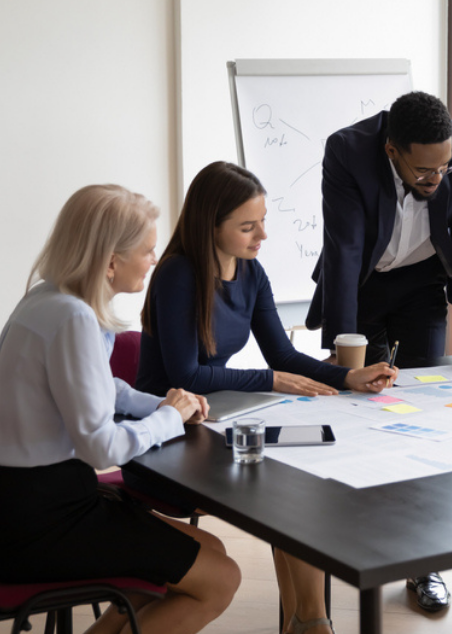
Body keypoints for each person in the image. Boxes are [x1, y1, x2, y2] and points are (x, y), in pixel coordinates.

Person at [135, 161, 397, 634]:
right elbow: (185, 374)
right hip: (166, 441)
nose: (262, 236)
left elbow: (282, 353)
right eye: (247, 226)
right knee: (287, 491)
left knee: (299, 479)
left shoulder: (251, 273)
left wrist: (348, 377)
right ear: (209, 225)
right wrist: (269, 380)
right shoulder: (178, 275)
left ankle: (307, 621)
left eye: (263, 221)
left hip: (214, 426)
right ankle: (311, 624)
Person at [0, 184, 240, 634]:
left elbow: (102, 385)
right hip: (40, 524)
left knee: (209, 548)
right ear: (110, 261)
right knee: (221, 579)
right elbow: (101, 449)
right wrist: (168, 418)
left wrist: (163, 403)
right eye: (147, 251)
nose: (154, 260)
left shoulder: (49, 298)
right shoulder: (72, 317)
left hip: (15, 507)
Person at [304, 90, 452, 611]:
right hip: (363, 284)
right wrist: (343, 349)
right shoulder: (347, 151)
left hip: (422, 284)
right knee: (360, 412)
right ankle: (353, 545)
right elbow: (345, 249)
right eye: (424, 170)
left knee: (423, 416)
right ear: (393, 149)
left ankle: (422, 562)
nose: (437, 178)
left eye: (445, 167)